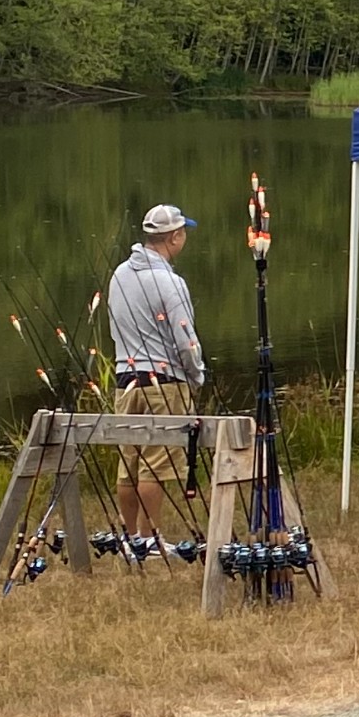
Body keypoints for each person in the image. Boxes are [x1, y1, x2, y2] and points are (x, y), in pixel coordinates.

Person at [106, 201, 206, 540]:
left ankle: (131, 536)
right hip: (164, 383)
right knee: (157, 462)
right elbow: (185, 338)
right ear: (174, 237)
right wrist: (196, 375)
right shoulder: (170, 282)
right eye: (183, 234)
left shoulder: (119, 275)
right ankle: (150, 538)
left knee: (128, 461)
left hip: (125, 381)